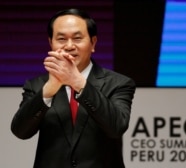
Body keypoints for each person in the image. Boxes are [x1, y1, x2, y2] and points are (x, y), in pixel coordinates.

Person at [11, 8, 136, 168]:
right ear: (51, 43)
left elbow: (116, 127)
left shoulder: (119, 83)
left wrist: (78, 82)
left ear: (93, 43)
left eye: (77, 38)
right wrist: (48, 90)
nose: (69, 46)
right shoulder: (37, 85)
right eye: (61, 39)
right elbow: (20, 131)